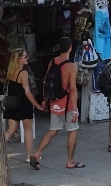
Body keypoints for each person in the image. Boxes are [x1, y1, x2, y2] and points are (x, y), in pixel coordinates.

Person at [31, 38, 81, 170]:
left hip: (54, 102)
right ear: (70, 47)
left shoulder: (52, 61)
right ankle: (70, 161)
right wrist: (75, 110)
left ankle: (38, 153)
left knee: (53, 129)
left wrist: (45, 99)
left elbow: (47, 81)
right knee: (72, 130)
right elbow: (73, 89)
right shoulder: (71, 66)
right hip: (67, 104)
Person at [3, 48, 37, 163]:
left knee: (11, 130)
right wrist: (36, 104)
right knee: (28, 129)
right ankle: (29, 155)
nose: (27, 58)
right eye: (25, 57)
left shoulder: (10, 72)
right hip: (23, 103)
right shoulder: (23, 73)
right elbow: (27, 91)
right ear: (19, 59)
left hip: (12, 104)